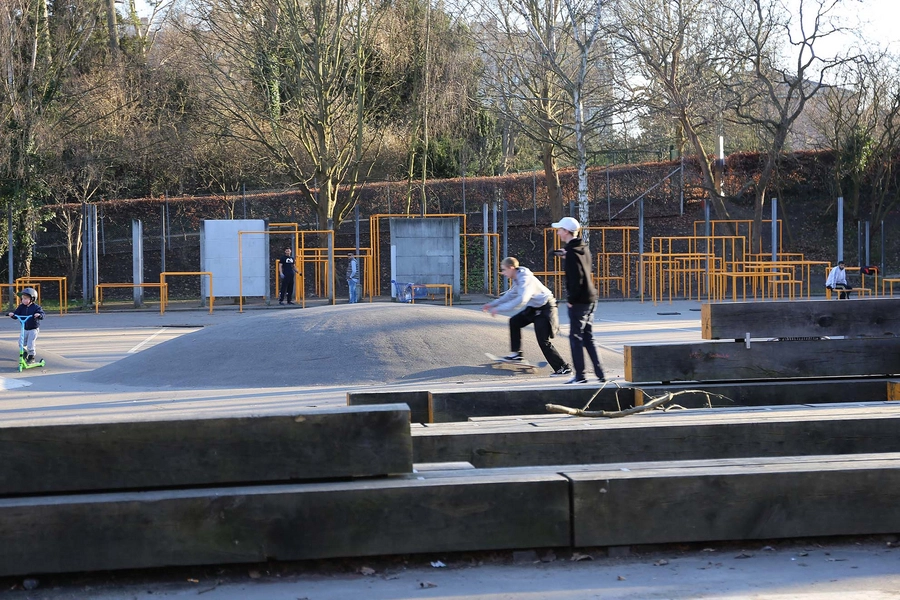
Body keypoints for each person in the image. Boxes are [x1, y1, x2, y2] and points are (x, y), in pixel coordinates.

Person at [482, 257, 572, 376]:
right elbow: (510, 295)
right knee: (514, 322)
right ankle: (516, 355)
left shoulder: (525, 279)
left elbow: (521, 300)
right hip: (534, 308)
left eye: (504, 270)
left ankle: (563, 368)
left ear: (511, 268)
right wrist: (492, 304)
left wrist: (499, 309)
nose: (503, 273)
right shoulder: (517, 279)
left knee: (543, 341)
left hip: (546, 309)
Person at [552, 216, 606, 384]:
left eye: (560, 230)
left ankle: (580, 376)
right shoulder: (582, 248)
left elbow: (576, 278)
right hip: (591, 298)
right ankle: (601, 374)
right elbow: (580, 261)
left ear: (566, 232)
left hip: (579, 300)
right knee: (588, 336)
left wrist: (571, 299)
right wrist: (565, 253)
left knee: (575, 338)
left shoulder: (572, 254)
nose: (558, 233)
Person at [8, 288, 44, 363]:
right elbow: (16, 314)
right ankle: (24, 352)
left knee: (30, 344)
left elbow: (42, 314)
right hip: (24, 328)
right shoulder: (21, 307)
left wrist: (39, 315)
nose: (23, 300)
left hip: (33, 329)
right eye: (22, 298)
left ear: (32, 299)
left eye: (26, 298)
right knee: (21, 343)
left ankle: (31, 356)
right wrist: (12, 315)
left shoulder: (36, 307)